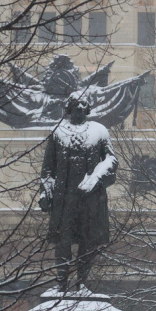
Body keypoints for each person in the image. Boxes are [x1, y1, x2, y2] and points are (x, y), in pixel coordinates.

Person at [37, 91, 117, 293]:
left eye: (83, 106)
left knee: (87, 241)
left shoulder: (99, 131)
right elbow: (48, 169)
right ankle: (61, 283)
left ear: (87, 109)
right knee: (62, 241)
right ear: (69, 109)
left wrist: (96, 177)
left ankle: (82, 283)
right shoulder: (58, 132)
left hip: (90, 199)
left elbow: (111, 159)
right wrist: (45, 193)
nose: (80, 109)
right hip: (64, 199)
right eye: (76, 106)